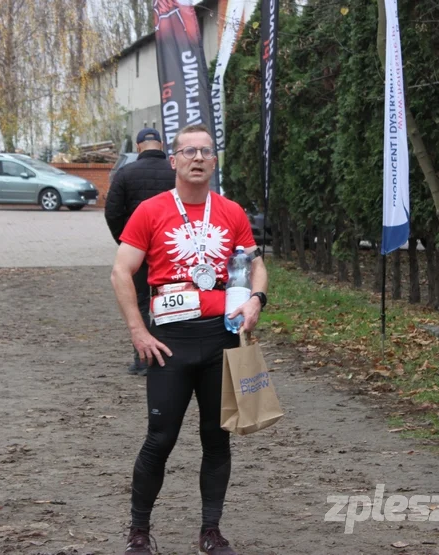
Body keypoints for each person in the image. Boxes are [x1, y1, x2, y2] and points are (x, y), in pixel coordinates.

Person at [110, 123, 268, 555]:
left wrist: (256, 299)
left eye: (205, 151)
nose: (197, 158)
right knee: (159, 438)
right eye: (188, 151)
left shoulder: (232, 211)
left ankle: (211, 531)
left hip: (222, 341)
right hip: (171, 342)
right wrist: (138, 331)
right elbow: (121, 271)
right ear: (173, 160)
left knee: (217, 437)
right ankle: (138, 532)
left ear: (214, 161)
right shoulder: (151, 210)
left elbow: (255, 265)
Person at [105, 128, 176, 376]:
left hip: (138, 250)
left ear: (137, 147)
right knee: (169, 300)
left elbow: (112, 212)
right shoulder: (175, 171)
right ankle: (169, 354)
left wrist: (126, 243)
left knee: (139, 302)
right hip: (172, 249)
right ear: (162, 144)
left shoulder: (125, 173)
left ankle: (143, 359)